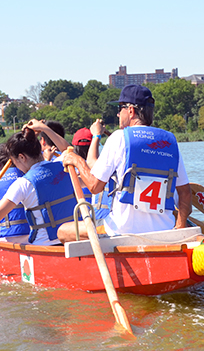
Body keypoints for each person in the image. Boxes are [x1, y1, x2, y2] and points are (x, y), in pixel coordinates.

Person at [60, 83, 191, 241]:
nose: (117, 115)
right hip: (164, 231)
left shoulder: (118, 137)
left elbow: (94, 186)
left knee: (63, 231)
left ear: (131, 110)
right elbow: (185, 193)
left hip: (121, 231)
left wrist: (77, 160)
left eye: (119, 109)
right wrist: (180, 227)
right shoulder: (170, 141)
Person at [0, 126, 78, 246]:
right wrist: (45, 128)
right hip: (74, 240)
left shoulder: (23, 184)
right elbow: (67, 149)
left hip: (44, 245)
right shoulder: (62, 165)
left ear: (21, 157)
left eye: (14, 162)